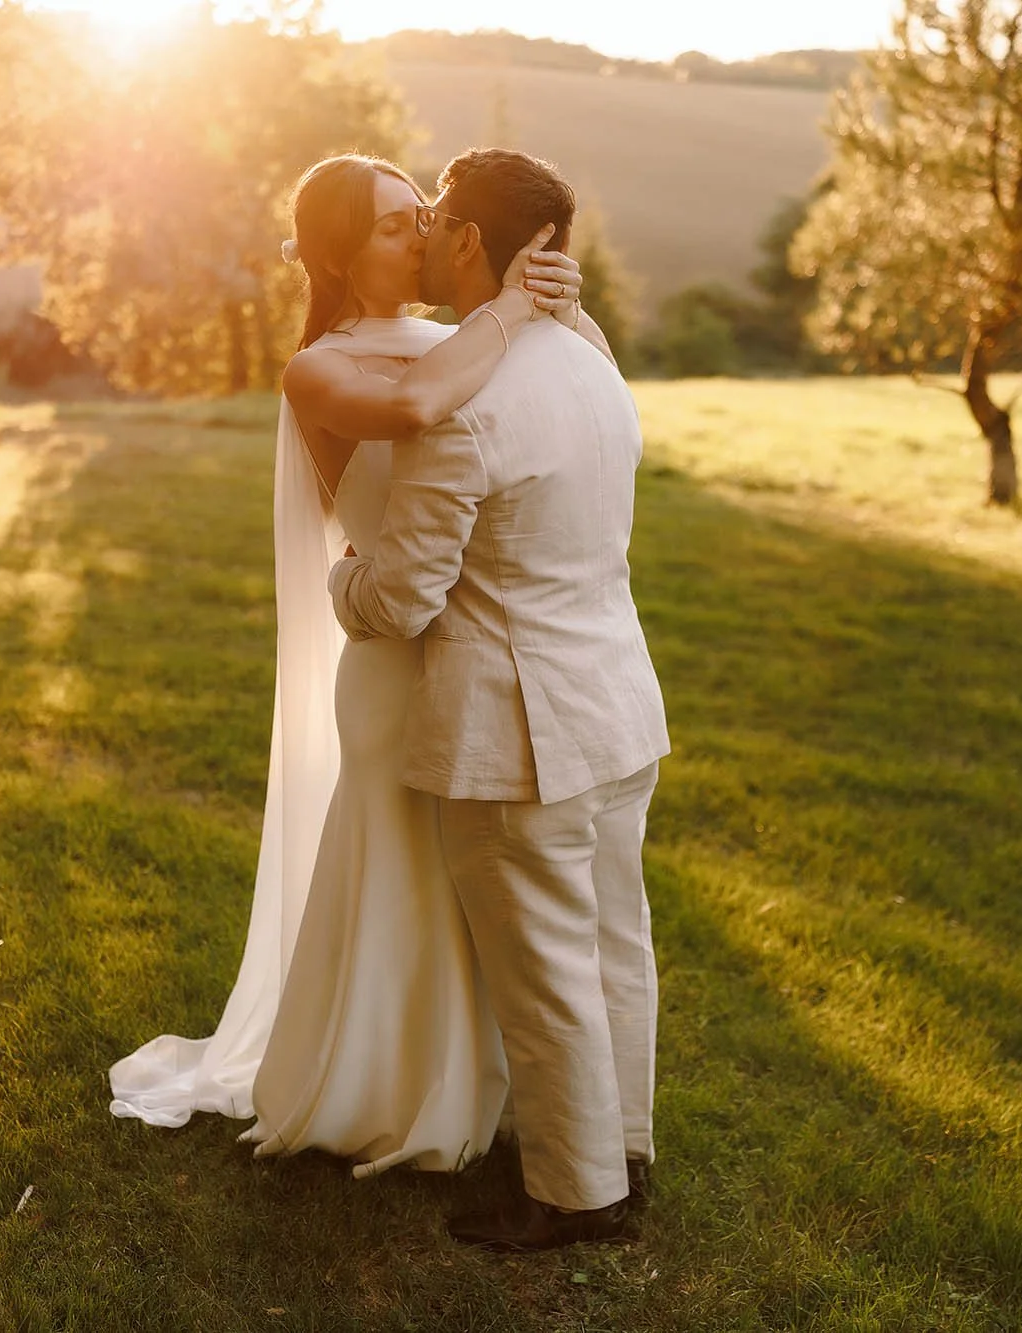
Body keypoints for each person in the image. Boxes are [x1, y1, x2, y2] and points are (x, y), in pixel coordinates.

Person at [108, 153, 617, 1183]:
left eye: (425, 214)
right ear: (339, 252)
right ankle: (380, 1087)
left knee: (487, 895)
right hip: (393, 658)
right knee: (400, 871)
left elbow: (579, 396)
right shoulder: (324, 367)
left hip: (489, 649)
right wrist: (514, 313)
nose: (423, 232)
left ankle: (491, 1089)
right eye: (394, 224)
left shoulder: (472, 333)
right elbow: (419, 406)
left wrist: (565, 307)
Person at [329, 148, 670, 1251]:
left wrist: (342, 581)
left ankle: (572, 1196)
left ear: (471, 240)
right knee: (616, 941)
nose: (420, 230)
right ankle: (622, 1147)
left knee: (543, 968)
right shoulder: (589, 366)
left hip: (515, 732)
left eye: (431, 215)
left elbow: (405, 599)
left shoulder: (466, 409)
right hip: (617, 699)